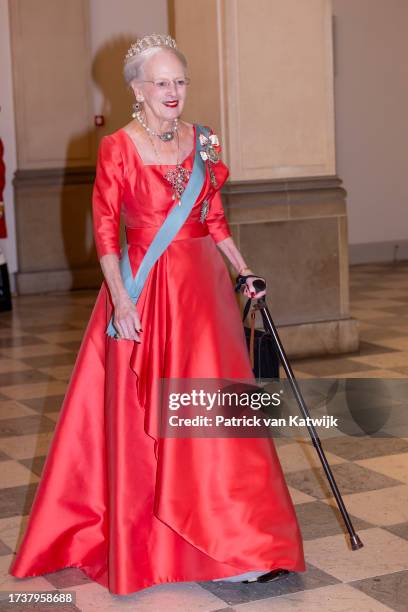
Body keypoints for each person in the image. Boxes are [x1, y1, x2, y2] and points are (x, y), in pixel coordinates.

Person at [9, 34, 305, 595]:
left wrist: (244, 272)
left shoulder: (206, 139)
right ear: (137, 89)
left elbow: (214, 217)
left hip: (205, 295)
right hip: (147, 291)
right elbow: (104, 231)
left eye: (180, 81)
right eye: (161, 82)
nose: (173, 91)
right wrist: (121, 299)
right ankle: (160, 541)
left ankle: (242, 541)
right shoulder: (117, 147)